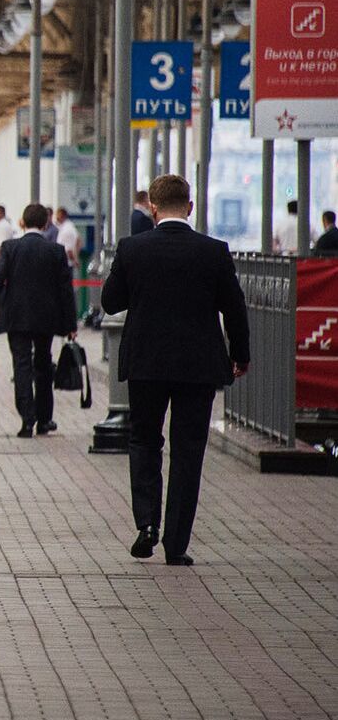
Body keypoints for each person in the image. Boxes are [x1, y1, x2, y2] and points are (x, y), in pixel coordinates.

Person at [101, 174, 250, 567]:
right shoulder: (214, 251)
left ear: (152, 206)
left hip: (145, 363)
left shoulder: (132, 249)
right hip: (197, 366)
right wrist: (241, 354)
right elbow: (234, 308)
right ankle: (176, 543)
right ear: (191, 206)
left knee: (145, 440)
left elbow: (111, 302)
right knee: (188, 451)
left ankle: (147, 523)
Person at [0, 204, 78, 439]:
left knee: (21, 365)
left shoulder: (10, 247)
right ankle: (44, 418)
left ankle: (27, 420)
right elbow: (65, 290)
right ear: (46, 224)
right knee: (43, 364)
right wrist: (71, 325)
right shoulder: (56, 250)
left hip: (16, 317)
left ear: (21, 222)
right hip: (46, 318)